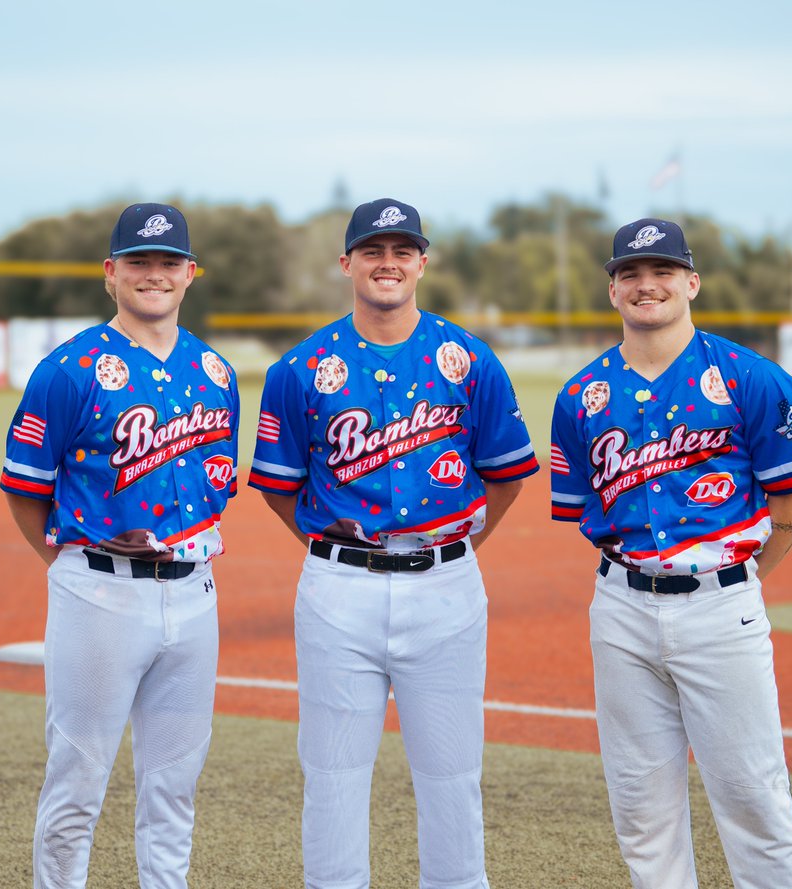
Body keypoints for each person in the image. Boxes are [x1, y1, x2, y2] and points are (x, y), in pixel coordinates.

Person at [248, 198, 538, 889]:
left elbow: (505, 477)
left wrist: (457, 546)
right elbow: (278, 485)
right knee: (333, 775)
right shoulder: (301, 367)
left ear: (422, 262)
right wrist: (332, 547)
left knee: (452, 775)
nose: (388, 262)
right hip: (337, 588)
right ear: (346, 262)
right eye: (373, 250)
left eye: (402, 250)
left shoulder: (467, 358)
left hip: (447, 585)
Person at [550, 218, 792, 889]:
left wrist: (738, 582)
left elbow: (791, 505)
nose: (647, 285)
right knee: (642, 810)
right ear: (613, 291)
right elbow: (582, 508)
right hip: (620, 607)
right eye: (630, 274)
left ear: (691, 282)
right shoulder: (580, 397)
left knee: (755, 798)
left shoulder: (752, 379)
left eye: (662, 271)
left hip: (721, 604)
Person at [0, 202, 239, 889]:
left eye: (169, 263)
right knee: (77, 783)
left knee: (174, 789)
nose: (154, 275)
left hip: (194, 594)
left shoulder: (217, 374)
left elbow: (217, 481)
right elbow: (25, 490)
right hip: (99, 590)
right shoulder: (68, 369)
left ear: (191, 273)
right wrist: (70, 564)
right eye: (139, 261)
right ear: (111, 272)